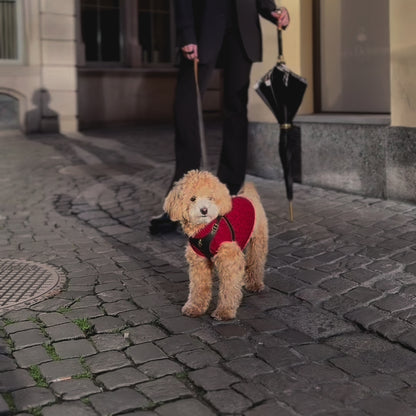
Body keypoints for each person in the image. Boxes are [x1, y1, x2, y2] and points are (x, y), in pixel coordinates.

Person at [150, 0, 290, 235]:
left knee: (236, 109)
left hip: (242, 30)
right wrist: (186, 32)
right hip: (203, 27)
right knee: (187, 106)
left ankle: (228, 193)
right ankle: (182, 200)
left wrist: (272, 10)